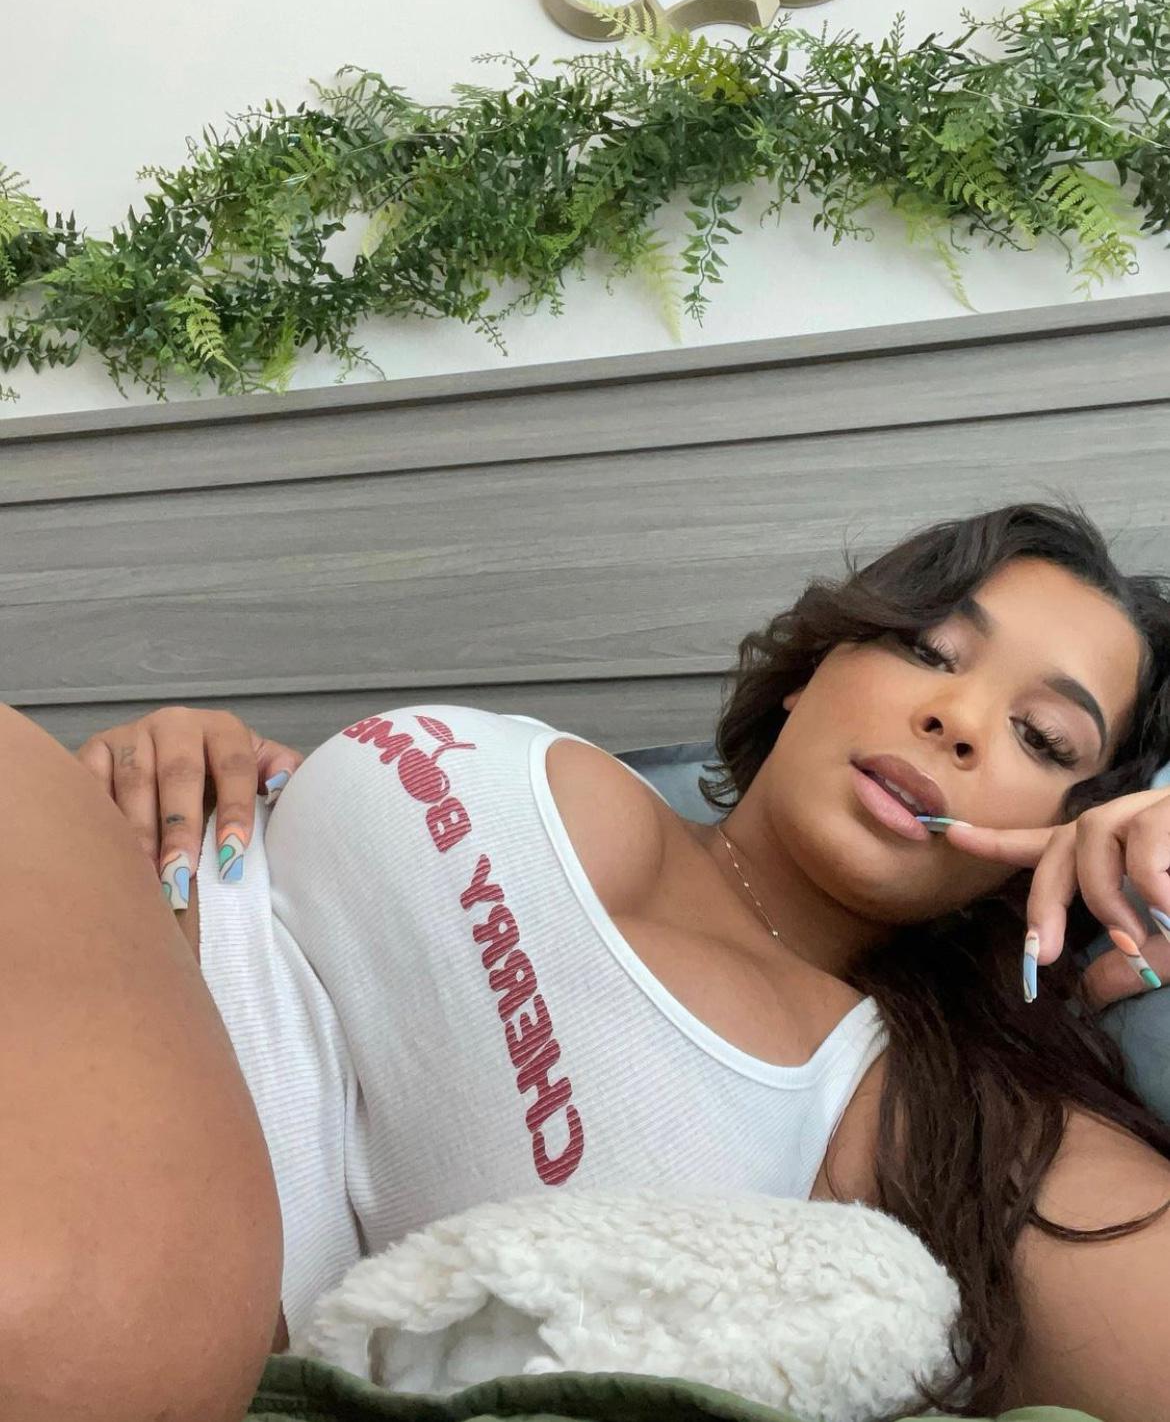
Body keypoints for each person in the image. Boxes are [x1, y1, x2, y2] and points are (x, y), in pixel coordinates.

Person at [13, 500, 1170, 1422]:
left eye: (1041, 736)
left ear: (1066, 835)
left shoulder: (928, 1105)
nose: (958, 716)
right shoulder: (553, 758)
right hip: (65, 909)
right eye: (927, 647)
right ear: (816, 667)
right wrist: (172, 772)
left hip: (124, 1275)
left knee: (70, 1327)